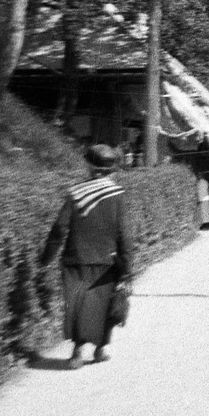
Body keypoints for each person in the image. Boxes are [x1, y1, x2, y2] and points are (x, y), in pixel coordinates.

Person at [40, 144, 132, 368]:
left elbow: (59, 229)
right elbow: (124, 235)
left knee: (78, 302)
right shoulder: (117, 195)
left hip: (75, 259)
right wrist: (128, 269)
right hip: (107, 260)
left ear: (90, 167)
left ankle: (78, 350)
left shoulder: (75, 194)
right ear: (111, 170)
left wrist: (44, 259)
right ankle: (102, 348)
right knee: (106, 302)